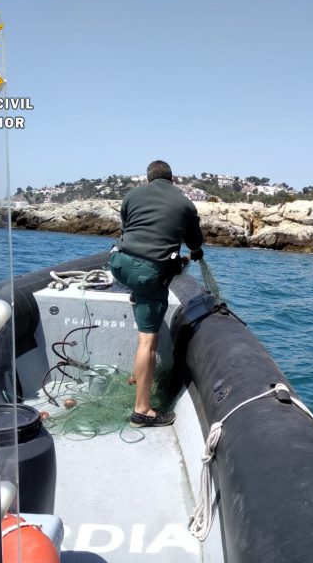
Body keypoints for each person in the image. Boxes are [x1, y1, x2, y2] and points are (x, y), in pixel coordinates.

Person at [109, 160, 204, 427]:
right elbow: (195, 242)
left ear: (148, 179)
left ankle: (137, 375)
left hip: (118, 264)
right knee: (148, 342)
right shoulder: (185, 203)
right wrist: (196, 252)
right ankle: (142, 411)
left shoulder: (132, 195)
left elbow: (129, 230)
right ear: (172, 179)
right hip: (147, 274)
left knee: (141, 289)